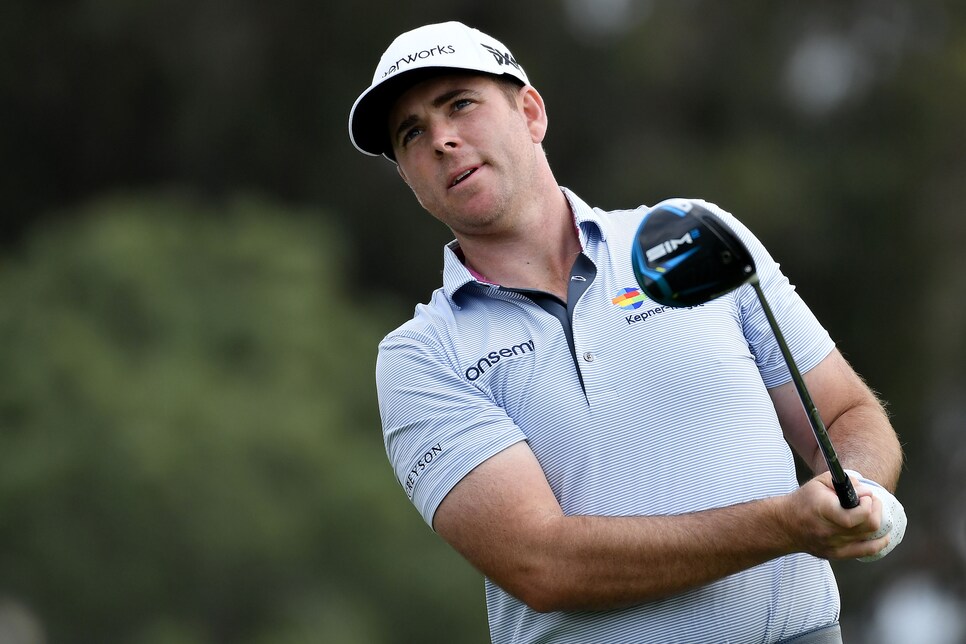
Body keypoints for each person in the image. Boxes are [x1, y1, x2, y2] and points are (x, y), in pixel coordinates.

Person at [349, 21, 905, 644]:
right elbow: (543, 564)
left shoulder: (690, 237)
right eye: (412, 133)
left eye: (460, 105)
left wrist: (858, 495)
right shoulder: (421, 357)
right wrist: (788, 526)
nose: (443, 139)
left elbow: (846, 411)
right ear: (407, 174)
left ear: (530, 113)